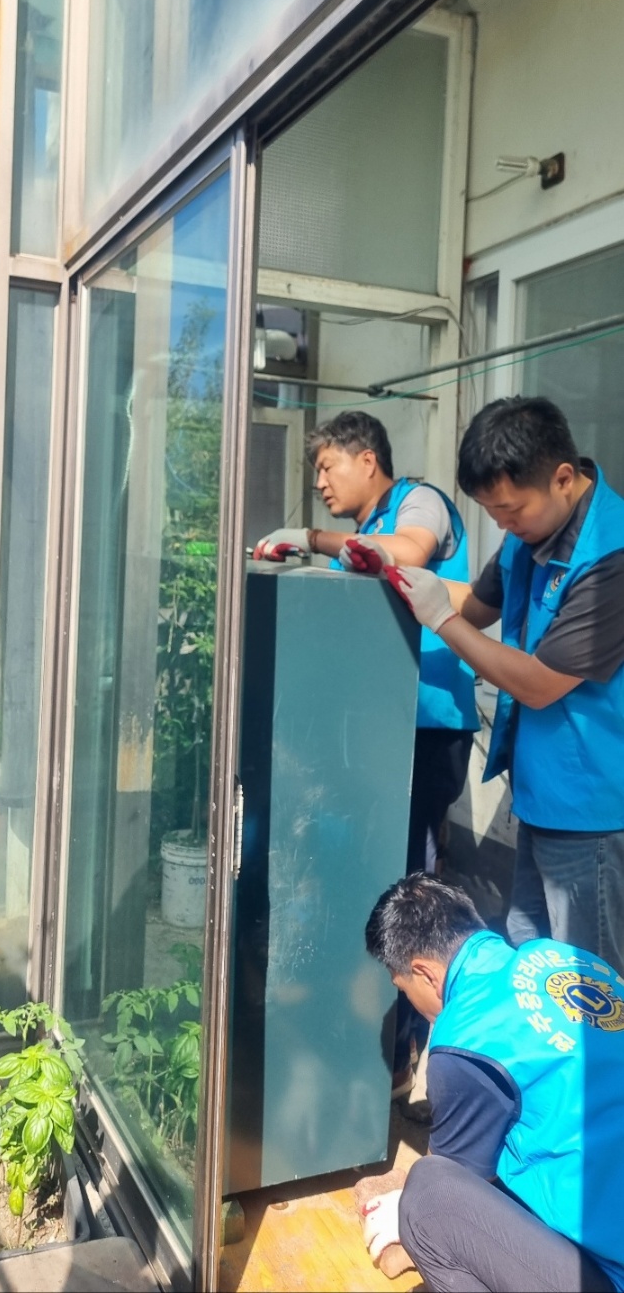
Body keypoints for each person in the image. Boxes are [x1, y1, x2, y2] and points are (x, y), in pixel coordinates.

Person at [254, 410, 479, 1093]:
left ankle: (411, 1054)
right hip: (374, 730)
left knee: (410, 885)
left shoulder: (418, 501)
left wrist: (309, 539)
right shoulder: (361, 533)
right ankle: (367, 1039)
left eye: (327, 466)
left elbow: (408, 551)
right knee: (367, 876)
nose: (320, 481)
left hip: (424, 727)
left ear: (367, 461)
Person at [382, 396, 624, 975]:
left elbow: (539, 685)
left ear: (562, 478)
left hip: (592, 810)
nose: (500, 524)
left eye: (509, 510)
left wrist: (441, 619)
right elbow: (479, 606)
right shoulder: (532, 530)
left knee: (590, 981)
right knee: (533, 956)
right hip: (541, 796)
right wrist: (398, 575)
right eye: (490, 511)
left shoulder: (609, 559)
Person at [363, 872, 624, 1293]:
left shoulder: (466, 1039)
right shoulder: (566, 959)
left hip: (610, 1271)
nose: (408, 999)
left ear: (424, 974)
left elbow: (456, 1183)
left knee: (428, 1198)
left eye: (403, 987)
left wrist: (402, 1214)